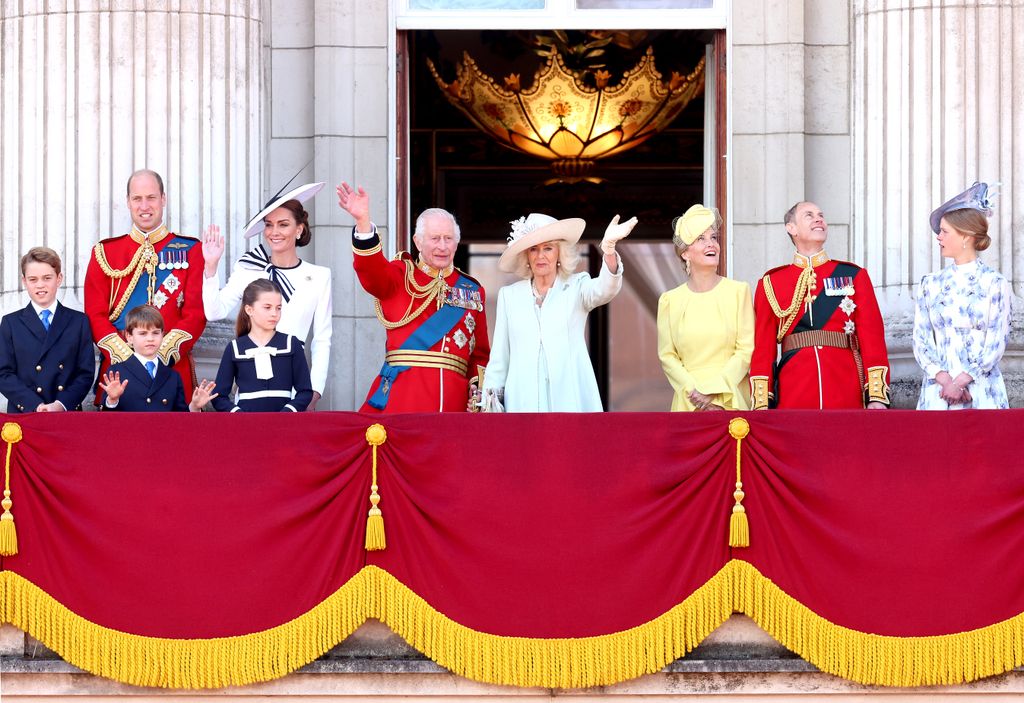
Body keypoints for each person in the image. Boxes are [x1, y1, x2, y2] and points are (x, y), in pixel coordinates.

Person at [336, 182, 490, 413]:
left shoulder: (472, 290)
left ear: (457, 243)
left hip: (454, 405)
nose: (442, 246)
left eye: (448, 239)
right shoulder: (400, 276)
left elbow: (480, 354)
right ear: (418, 242)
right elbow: (372, 272)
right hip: (402, 400)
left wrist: (476, 395)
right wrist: (363, 223)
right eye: (434, 238)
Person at [480, 212, 635, 412]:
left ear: (559, 254)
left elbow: (606, 288)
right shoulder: (509, 296)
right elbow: (500, 358)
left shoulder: (577, 287)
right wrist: (489, 402)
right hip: (522, 402)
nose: (540, 255)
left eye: (548, 248)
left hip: (569, 399)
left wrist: (609, 250)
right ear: (526, 255)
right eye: (534, 249)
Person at [749, 201, 891, 410]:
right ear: (791, 228)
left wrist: (877, 397)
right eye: (809, 215)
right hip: (794, 391)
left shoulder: (853, 275)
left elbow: (872, 339)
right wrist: (762, 404)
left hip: (846, 386)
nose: (819, 219)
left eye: (820, 215)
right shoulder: (771, 283)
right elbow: (763, 350)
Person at [202, 183, 331, 410]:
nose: (274, 232)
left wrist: (314, 392)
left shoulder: (319, 276)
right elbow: (214, 312)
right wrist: (211, 269)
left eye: (283, 225)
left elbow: (321, 340)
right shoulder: (249, 267)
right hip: (251, 390)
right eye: (269, 225)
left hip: (295, 388)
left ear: (299, 229)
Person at [84, 169, 207, 404]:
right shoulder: (105, 253)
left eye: (151, 198)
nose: (144, 206)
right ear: (128, 202)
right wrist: (127, 358)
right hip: (119, 374)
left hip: (171, 372)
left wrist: (160, 355)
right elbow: (95, 315)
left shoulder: (192, 250)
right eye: (137, 199)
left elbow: (196, 314)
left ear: (163, 199)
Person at [913, 182, 1011, 410]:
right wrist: (946, 381)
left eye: (945, 231)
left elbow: (996, 342)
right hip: (937, 393)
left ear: (966, 236)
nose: (939, 237)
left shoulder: (995, 283)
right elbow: (921, 339)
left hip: (982, 392)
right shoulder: (930, 283)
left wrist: (961, 381)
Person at [657, 205, 754, 411]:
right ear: (685, 254)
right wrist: (696, 394)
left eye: (714, 238)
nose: (712, 244)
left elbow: (746, 350)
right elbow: (668, 357)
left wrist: (714, 391)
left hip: (731, 398)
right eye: (701, 239)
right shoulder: (669, 300)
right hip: (688, 402)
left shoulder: (739, 292)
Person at [0, 247, 96, 413]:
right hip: (26, 413)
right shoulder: (10, 323)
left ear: (59, 279)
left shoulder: (78, 322)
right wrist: (34, 405)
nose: (40, 285)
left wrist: (61, 404)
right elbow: (3, 374)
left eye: (47, 278)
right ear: (24, 281)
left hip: (65, 413)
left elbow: (85, 374)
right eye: (33, 279)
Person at [212, 279, 315, 413]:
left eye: (278, 308)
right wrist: (239, 415)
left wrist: (287, 413)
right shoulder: (235, 348)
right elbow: (218, 397)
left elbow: (305, 391)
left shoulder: (291, 344)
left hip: (284, 427)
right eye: (267, 307)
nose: (274, 313)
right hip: (247, 428)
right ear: (249, 309)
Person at [98, 305, 216, 412]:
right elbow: (106, 421)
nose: (150, 338)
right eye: (143, 333)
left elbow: (180, 420)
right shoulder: (117, 372)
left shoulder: (173, 376)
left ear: (162, 335)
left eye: (155, 333)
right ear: (129, 336)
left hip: (163, 435)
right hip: (129, 434)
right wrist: (112, 400)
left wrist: (194, 407)